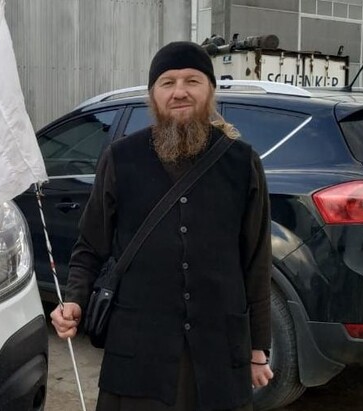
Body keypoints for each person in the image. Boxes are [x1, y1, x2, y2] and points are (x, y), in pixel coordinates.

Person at [50, 41, 274, 411]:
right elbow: (90, 246)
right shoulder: (121, 158)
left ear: (211, 90)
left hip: (218, 350)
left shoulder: (242, 162)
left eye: (192, 80)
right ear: (153, 95)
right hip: (138, 352)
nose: (180, 91)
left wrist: (257, 348)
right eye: (167, 82)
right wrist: (74, 299)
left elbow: (256, 261)